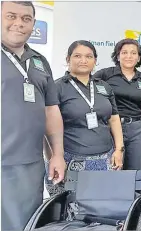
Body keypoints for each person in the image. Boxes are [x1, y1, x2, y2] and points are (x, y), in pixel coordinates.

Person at [1, 2, 65, 230]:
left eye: (26, 19)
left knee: (28, 223)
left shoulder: (39, 61)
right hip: (2, 162)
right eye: (11, 16)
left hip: (31, 164)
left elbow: (51, 110)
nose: (18, 23)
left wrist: (57, 154)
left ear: (33, 24)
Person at [45, 40, 125, 196]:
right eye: (77, 56)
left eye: (89, 56)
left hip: (105, 160)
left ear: (95, 61)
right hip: (71, 162)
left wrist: (118, 150)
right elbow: (47, 127)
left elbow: (114, 119)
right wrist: (53, 158)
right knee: (71, 213)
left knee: (103, 208)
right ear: (68, 59)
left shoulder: (103, 87)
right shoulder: (57, 88)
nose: (83, 60)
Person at [93, 38, 141, 170]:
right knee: (113, 168)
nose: (129, 56)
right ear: (118, 56)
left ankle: (133, 192)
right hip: (111, 127)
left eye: (133, 53)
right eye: (124, 52)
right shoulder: (104, 74)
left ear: (138, 57)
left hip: (136, 128)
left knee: (134, 170)